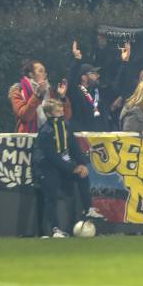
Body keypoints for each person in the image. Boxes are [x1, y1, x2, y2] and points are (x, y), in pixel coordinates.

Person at [31, 99, 103, 238]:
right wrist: (73, 167)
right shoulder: (46, 131)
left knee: (83, 174)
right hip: (45, 167)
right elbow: (52, 157)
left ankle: (88, 209)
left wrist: (81, 164)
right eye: (58, 111)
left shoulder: (66, 126)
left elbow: (75, 147)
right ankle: (55, 229)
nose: (62, 113)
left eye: (62, 110)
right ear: (48, 114)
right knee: (51, 196)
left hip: (61, 164)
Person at [67, 40, 125, 131]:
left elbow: (118, 85)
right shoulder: (76, 93)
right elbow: (71, 80)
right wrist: (77, 60)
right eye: (93, 73)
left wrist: (124, 63)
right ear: (84, 77)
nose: (97, 75)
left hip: (102, 138)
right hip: (84, 140)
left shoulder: (99, 92)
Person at [9, 59, 71, 133]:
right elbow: (25, 117)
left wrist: (62, 97)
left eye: (45, 72)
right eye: (41, 71)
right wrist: (37, 95)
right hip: (28, 137)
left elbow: (66, 116)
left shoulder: (51, 92)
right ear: (31, 74)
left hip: (50, 135)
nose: (45, 74)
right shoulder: (18, 91)